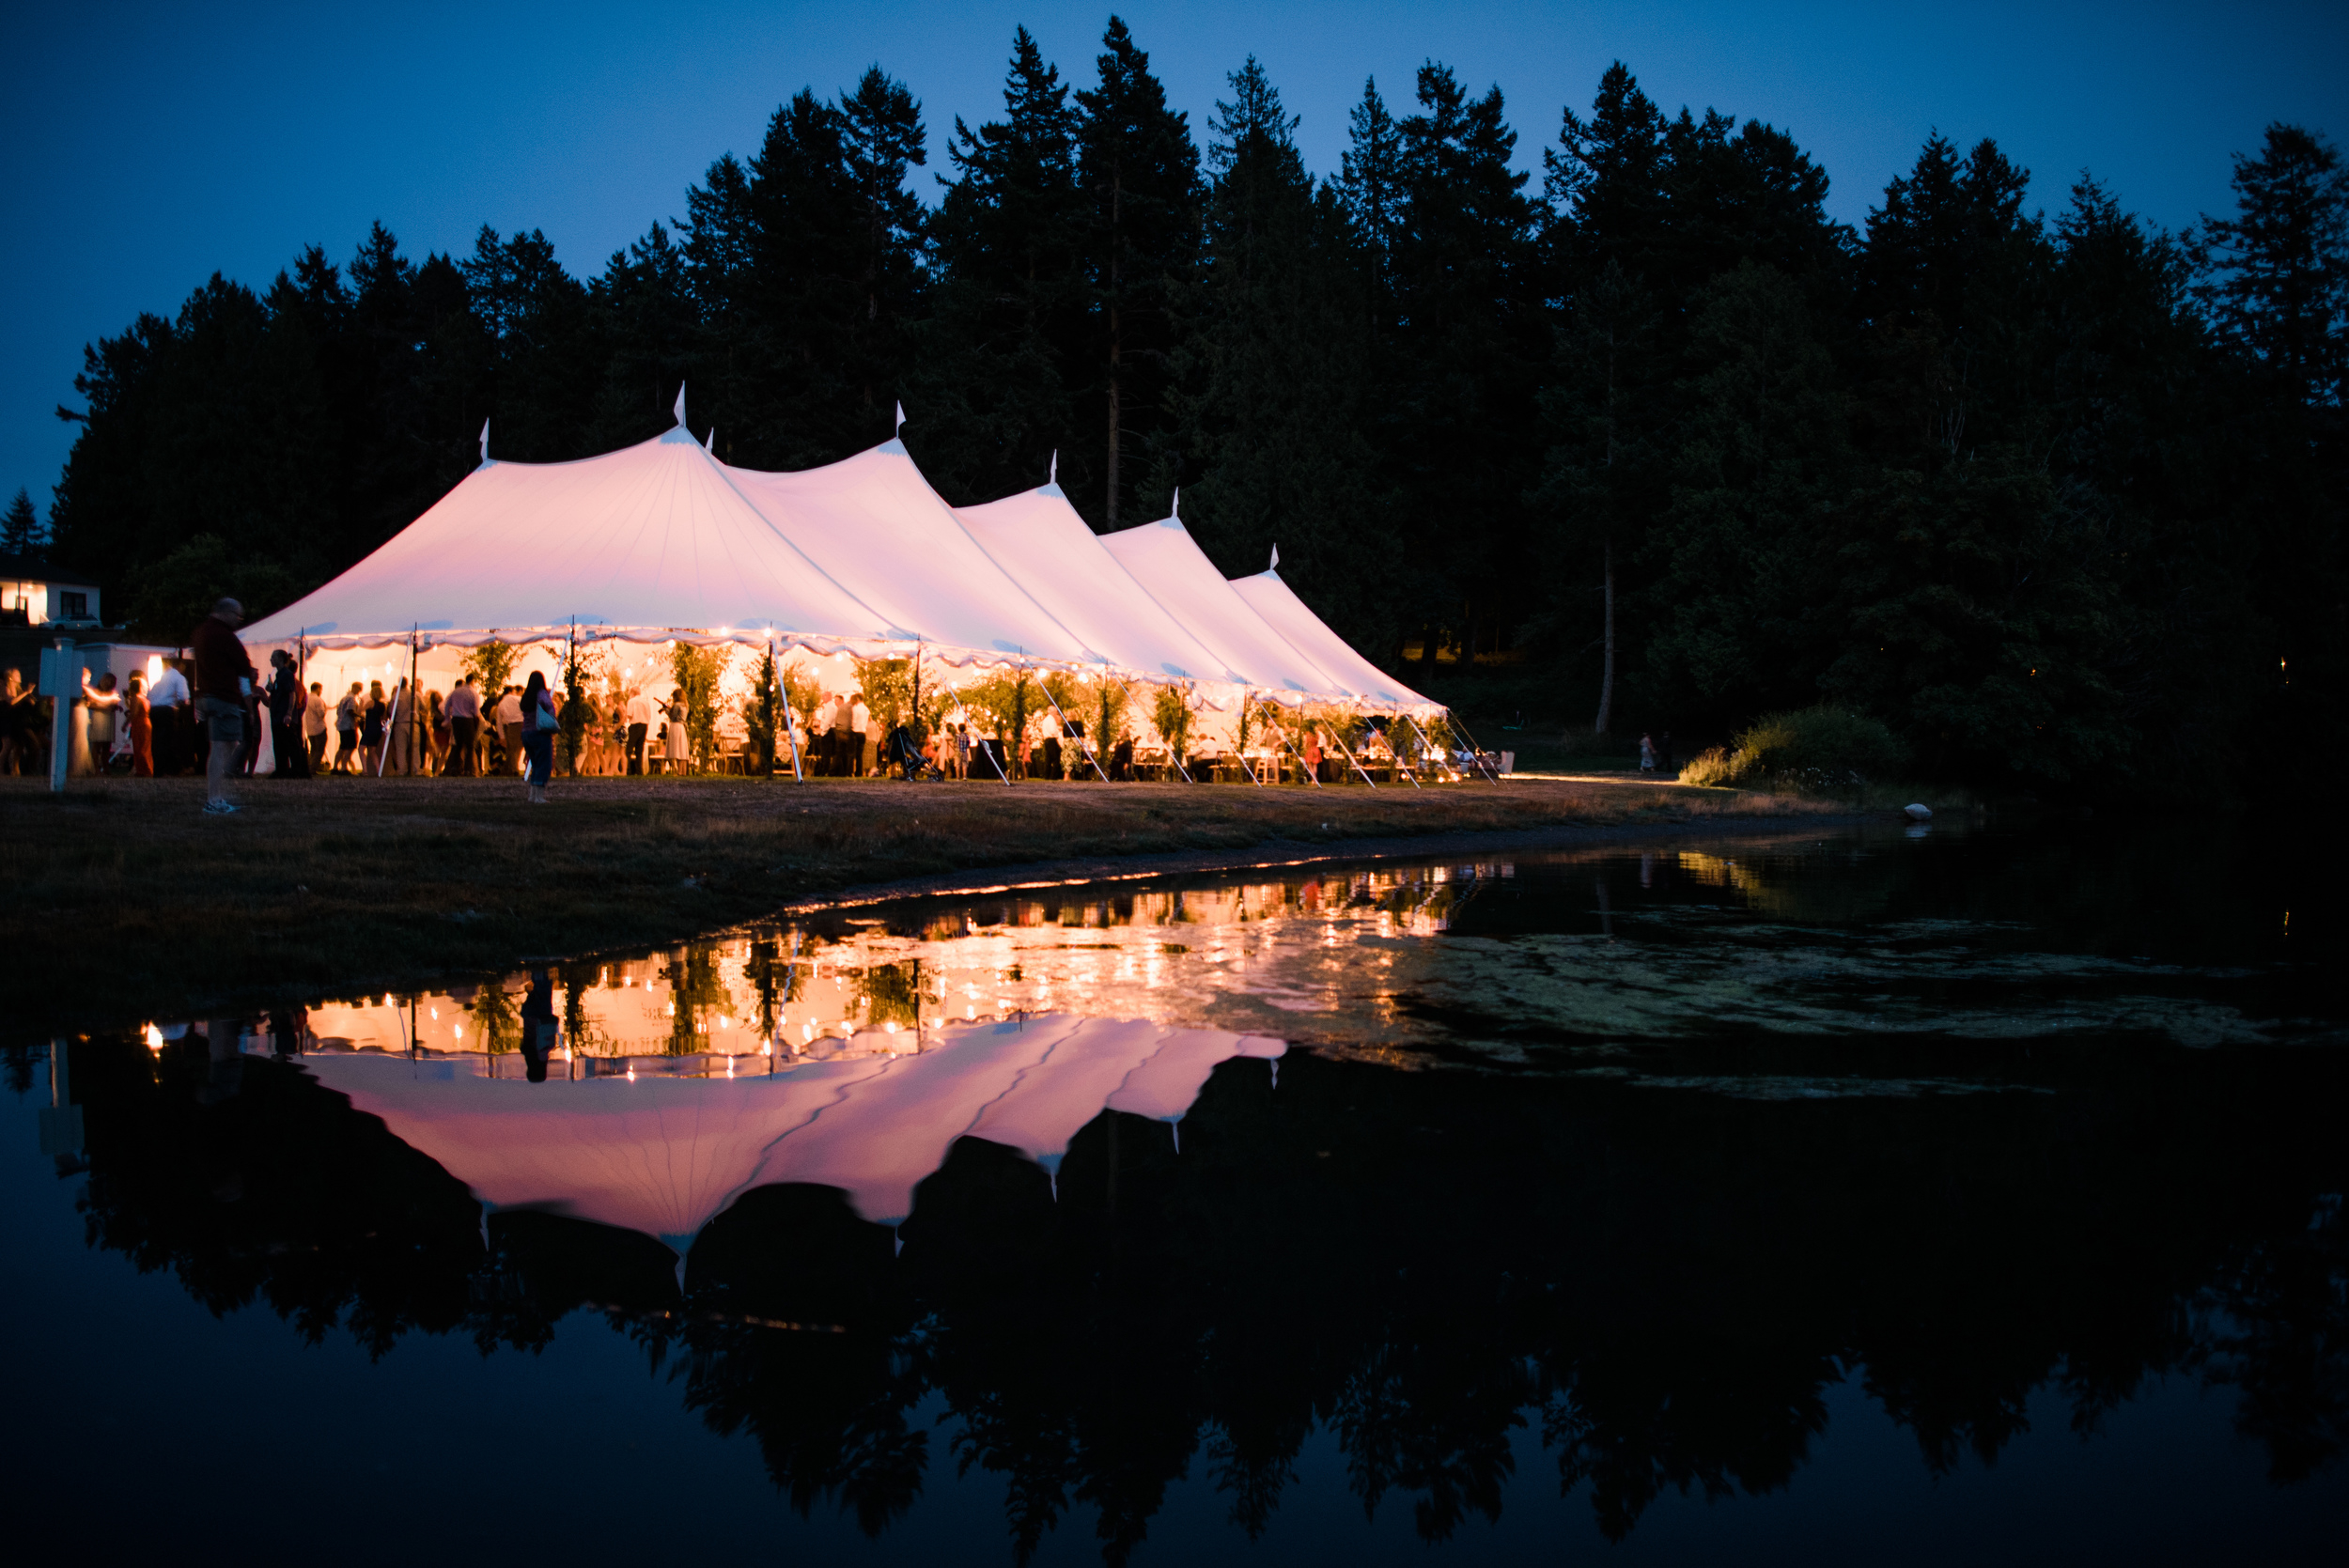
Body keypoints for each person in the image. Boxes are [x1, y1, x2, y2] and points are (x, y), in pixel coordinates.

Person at [192, 597, 256, 815]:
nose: (238, 620)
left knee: (221, 745)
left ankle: (215, 796)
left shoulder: (201, 632)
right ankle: (214, 798)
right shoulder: (225, 636)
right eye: (237, 616)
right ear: (226, 613)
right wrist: (247, 698)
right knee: (223, 746)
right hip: (223, 696)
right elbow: (243, 667)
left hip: (205, 696)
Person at [519, 670, 558, 804]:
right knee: (544, 765)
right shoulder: (542, 694)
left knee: (535, 764)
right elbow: (550, 709)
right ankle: (539, 797)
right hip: (540, 733)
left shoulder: (526, 696)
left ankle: (532, 795)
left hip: (526, 733)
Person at [148, 657, 190, 775]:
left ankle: (158, 769)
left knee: (157, 740)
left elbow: (150, 695)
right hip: (166, 710)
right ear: (180, 666)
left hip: (154, 710)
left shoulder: (161, 679)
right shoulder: (179, 678)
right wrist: (182, 705)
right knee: (166, 740)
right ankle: (168, 769)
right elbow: (183, 696)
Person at [265, 651, 303, 777]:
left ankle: (296, 770)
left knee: (289, 743)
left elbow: (292, 694)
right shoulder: (279, 675)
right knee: (280, 743)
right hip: (277, 715)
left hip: (283, 716)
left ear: (280, 659)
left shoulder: (286, 675)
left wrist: (289, 713)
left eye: (273, 657)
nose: (271, 660)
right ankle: (282, 769)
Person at [445, 675, 480, 776]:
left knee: (458, 745)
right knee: (470, 746)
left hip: (456, 719)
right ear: (473, 681)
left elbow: (447, 705)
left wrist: (447, 719)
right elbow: (476, 710)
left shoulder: (455, 691)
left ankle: (455, 768)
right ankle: (468, 770)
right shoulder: (473, 693)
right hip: (468, 719)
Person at [124, 675, 152, 776]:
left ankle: (143, 770)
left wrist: (125, 724)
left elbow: (134, 713)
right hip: (147, 723)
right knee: (146, 747)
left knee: (139, 748)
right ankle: (148, 769)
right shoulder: (145, 699)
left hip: (139, 724)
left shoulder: (135, 698)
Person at [625, 686, 655, 775]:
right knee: (639, 750)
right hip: (644, 726)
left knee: (628, 749)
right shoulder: (645, 702)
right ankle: (639, 771)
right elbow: (649, 716)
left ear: (632, 693)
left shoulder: (631, 701)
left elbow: (629, 714)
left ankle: (628, 770)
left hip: (635, 725)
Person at [495, 683, 524, 774]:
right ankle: (508, 769)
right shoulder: (519, 699)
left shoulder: (501, 703)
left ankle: (513, 769)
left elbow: (499, 722)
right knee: (518, 749)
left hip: (511, 726)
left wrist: (502, 736)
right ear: (511, 691)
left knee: (511, 749)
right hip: (524, 724)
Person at [303, 680, 328, 772]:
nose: (321, 691)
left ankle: (309, 766)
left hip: (309, 727)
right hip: (319, 727)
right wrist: (325, 710)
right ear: (317, 689)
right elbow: (321, 714)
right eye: (321, 689)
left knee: (313, 748)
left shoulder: (306, 698)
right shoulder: (318, 700)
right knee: (319, 749)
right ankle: (313, 768)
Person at [664, 698, 690, 775]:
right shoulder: (685, 705)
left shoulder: (677, 705)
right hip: (681, 726)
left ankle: (676, 770)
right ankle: (682, 771)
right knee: (682, 749)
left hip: (675, 726)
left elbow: (673, 716)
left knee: (675, 749)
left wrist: (666, 709)